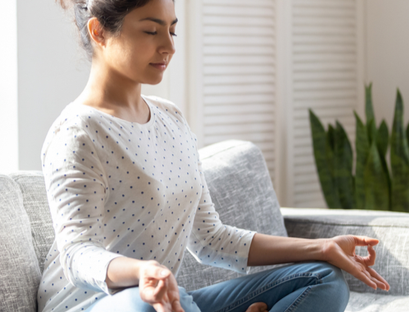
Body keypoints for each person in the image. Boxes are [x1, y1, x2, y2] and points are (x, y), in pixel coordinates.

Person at [39, 0, 390, 311]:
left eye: (172, 31)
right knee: (141, 303)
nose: (168, 47)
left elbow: (210, 239)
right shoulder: (78, 132)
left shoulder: (171, 119)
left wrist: (322, 247)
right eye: (151, 30)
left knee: (323, 279)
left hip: (170, 303)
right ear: (99, 31)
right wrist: (142, 271)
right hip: (100, 304)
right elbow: (76, 254)